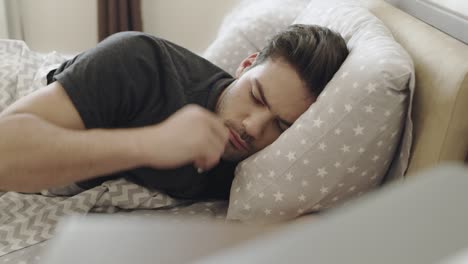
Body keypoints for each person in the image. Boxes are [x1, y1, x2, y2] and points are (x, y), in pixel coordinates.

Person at [0, 24, 348, 199]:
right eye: (256, 97)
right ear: (245, 66)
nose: (253, 128)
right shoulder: (139, 62)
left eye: (282, 126)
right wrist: (152, 144)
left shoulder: (274, 167)